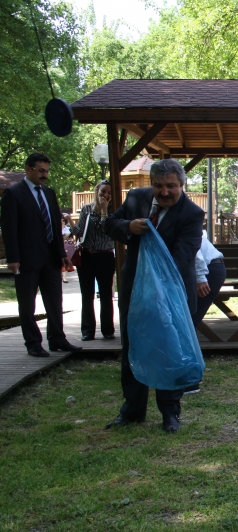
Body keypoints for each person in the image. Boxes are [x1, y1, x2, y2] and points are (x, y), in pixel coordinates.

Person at [103, 159, 204, 433]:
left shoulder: (192, 214)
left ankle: (170, 414)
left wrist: (157, 290)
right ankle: (132, 411)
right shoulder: (136, 198)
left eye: (171, 186)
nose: (165, 192)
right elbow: (109, 224)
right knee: (132, 346)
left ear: (182, 185)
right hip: (135, 288)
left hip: (171, 292)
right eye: (159, 186)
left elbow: (182, 257)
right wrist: (128, 226)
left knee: (170, 349)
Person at [0, 153, 82, 357]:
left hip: (51, 258)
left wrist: (62, 252)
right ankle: (33, 343)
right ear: (28, 170)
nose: (44, 175)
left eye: (46, 171)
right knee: (27, 304)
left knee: (55, 300)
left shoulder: (49, 193)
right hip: (26, 258)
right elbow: (9, 228)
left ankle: (57, 339)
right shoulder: (13, 193)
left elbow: (55, 225)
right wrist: (13, 258)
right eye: (40, 171)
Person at [66, 180, 116, 341]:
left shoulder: (114, 211)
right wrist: (69, 220)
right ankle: (87, 331)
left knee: (106, 294)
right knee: (87, 295)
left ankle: (108, 330)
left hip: (106, 256)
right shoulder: (87, 209)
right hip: (87, 256)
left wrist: (103, 211)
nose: (106, 195)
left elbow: (107, 230)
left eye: (109, 193)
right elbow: (78, 231)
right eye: (103, 192)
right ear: (97, 192)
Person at [185, 230, 226, 395]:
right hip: (208, 267)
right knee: (186, 323)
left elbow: (193, 249)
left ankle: (190, 379)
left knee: (186, 324)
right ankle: (190, 376)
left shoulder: (181, 215)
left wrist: (200, 277)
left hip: (207, 269)